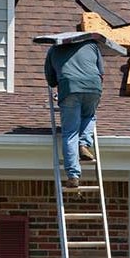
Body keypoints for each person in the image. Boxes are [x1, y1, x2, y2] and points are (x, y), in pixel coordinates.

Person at [45, 40, 104, 188]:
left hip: (69, 87)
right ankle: (84, 144)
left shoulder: (54, 49)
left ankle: (73, 175)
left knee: (70, 132)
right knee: (89, 116)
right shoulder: (91, 45)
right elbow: (101, 71)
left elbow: (51, 80)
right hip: (93, 86)